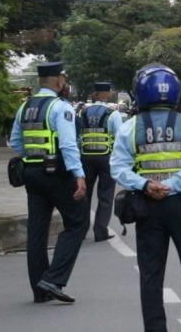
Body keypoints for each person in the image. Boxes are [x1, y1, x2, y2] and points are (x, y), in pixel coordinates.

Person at [110, 63, 181, 332]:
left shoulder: (130, 128)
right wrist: (172, 185)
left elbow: (118, 167)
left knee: (151, 275)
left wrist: (146, 185)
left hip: (147, 207)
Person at [9, 61, 88, 303]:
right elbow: (67, 143)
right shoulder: (60, 107)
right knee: (77, 223)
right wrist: (79, 174)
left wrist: (32, 158)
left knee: (37, 232)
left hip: (32, 174)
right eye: (63, 78)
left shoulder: (26, 107)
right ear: (57, 80)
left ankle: (40, 290)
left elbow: (15, 141)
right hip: (57, 173)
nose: (64, 82)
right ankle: (53, 279)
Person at [77, 82, 123, 241]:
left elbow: (77, 136)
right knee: (105, 195)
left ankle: (80, 231)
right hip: (106, 158)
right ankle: (100, 230)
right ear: (108, 94)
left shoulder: (82, 113)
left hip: (85, 158)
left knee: (85, 195)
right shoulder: (112, 114)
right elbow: (119, 138)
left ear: (95, 94)